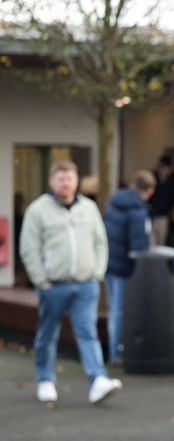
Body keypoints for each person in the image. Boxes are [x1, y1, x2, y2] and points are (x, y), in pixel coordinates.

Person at [18, 160, 123, 405]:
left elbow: (100, 242)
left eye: (70, 178)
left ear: (76, 181)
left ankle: (97, 380)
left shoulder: (89, 208)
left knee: (87, 332)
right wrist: (40, 280)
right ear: (52, 182)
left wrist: (97, 272)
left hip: (85, 284)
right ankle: (45, 379)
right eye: (61, 179)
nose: (66, 183)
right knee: (47, 334)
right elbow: (29, 248)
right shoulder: (37, 210)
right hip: (53, 285)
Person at [103, 170, 154, 365]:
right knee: (120, 310)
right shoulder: (138, 210)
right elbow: (138, 245)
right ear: (150, 190)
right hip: (125, 267)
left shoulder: (114, 202)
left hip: (109, 263)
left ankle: (114, 350)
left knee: (113, 309)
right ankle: (118, 352)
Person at [149, 154, 174, 247]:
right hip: (151, 216)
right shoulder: (152, 178)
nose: (167, 170)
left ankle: (159, 262)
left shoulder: (171, 180)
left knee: (161, 243)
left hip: (163, 216)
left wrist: (173, 209)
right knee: (151, 242)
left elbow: (173, 197)